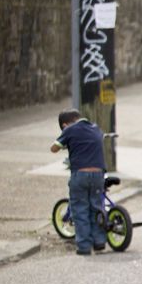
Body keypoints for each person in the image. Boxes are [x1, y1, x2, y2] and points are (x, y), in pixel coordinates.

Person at [50, 109, 107, 255]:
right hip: (98, 173)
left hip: (80, 173)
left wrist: (64, 143)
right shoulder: (96, 128)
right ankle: (100, 241)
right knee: (97, 207)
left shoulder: (69, 130)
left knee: (80, 209)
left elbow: (54, 148)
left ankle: (84, 246)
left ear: (64, 125)